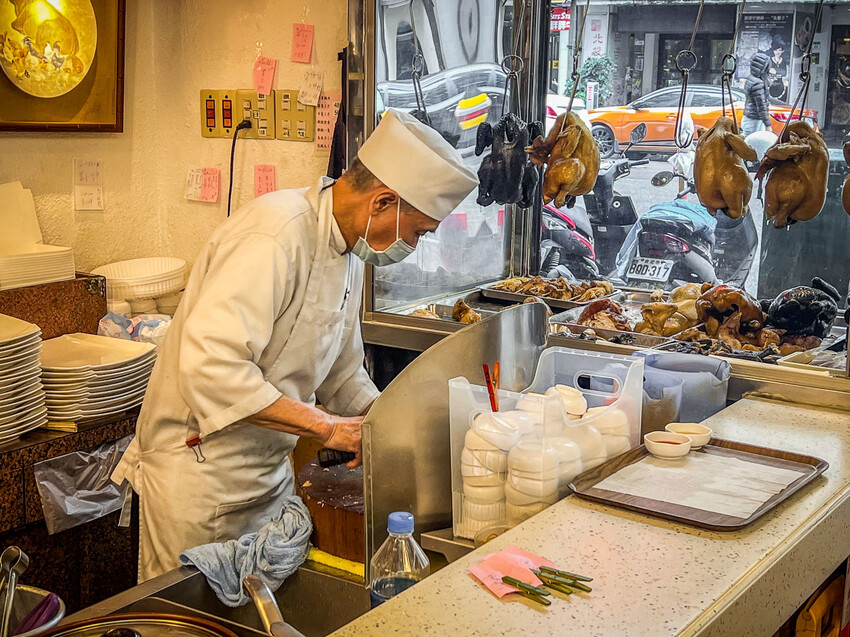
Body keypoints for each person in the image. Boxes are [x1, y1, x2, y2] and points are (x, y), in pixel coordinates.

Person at [111, 109, 479, 581]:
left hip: (269, 477)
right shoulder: (274, 235)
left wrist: (394, 426)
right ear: (383, 201)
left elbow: (342, 373)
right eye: (418, 232)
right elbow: (212, 369)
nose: (413, 245)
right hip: (201, 479)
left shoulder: (347, 247)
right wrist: (328, 429)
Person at [742, 51, 772, 137]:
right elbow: (761, 106)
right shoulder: (758, 83)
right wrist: (768, 124)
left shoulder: (751, 79)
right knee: (754, 147)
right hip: (755, 121)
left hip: (749, 118)